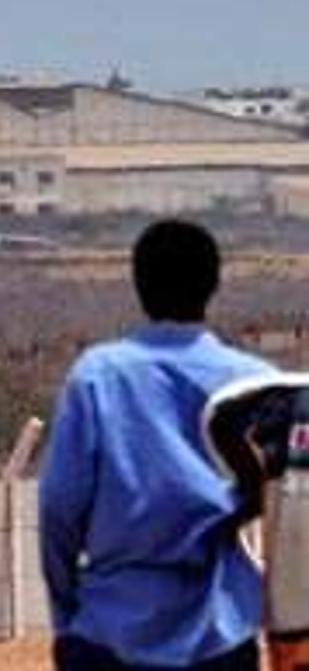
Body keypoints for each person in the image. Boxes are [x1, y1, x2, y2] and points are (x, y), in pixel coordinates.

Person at [39, 219, 274, 670]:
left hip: (109, 630)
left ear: (139, 284)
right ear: (214, 284)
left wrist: (67, 615)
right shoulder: (253, 383)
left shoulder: (97, 376)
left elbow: (59, 506)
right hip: (218, 631)